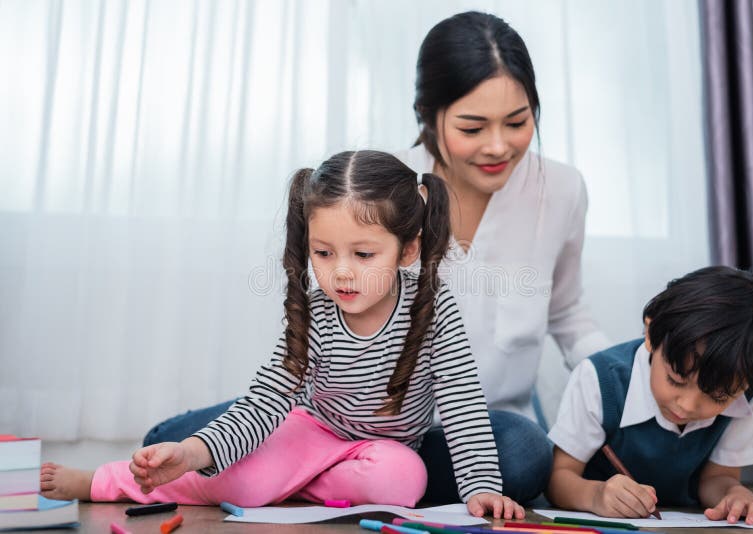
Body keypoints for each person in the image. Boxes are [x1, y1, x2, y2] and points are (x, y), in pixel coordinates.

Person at [141, 11, 608, 504]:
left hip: (442, 433)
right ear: (428, 115)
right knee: (168, 447)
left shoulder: (561, 190)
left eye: (517, 122)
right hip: (330, 415)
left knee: (523, 453)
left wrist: (621, 379)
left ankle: (316, 479)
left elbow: (567, 312)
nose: (498, 146)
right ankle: (326, 475)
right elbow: (287, 374)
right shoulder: (385, 189)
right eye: (472, 127)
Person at [39, 150, 525, 519]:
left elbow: (462, 403)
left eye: (363, 254)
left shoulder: (434, 310)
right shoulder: (317, 313)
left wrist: (480, 486)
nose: (341, 274)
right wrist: (189, 453)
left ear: (406, 251)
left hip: (383, 450)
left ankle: (284, 480)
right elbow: (266, 401)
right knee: (244, 482)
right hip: (311, 430)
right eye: (324, 253)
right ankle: (102, 481)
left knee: (402, 481)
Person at [546, 266, 753, 526]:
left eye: (718, 397)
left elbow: (716, 479)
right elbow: (558, 478)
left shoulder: (745, 396)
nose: (687, 405)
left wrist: (733, 494)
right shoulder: (599, 380)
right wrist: (595, 496)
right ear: (650, 334)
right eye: (676, 379)